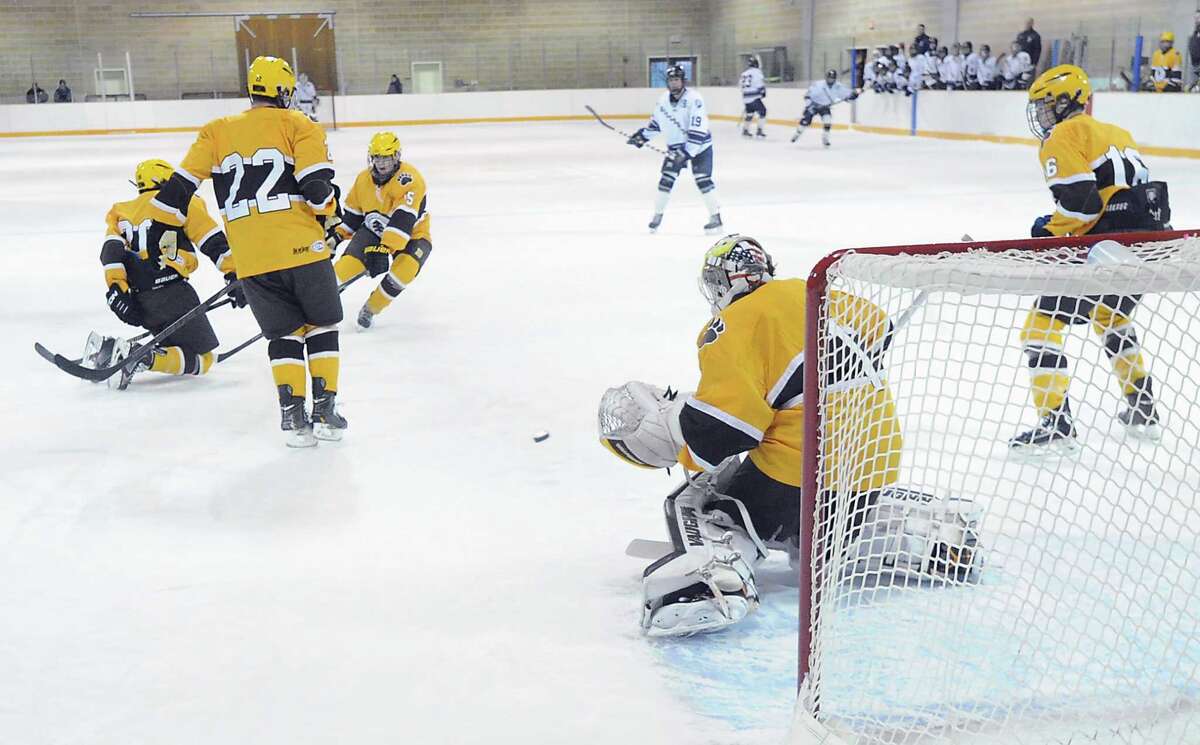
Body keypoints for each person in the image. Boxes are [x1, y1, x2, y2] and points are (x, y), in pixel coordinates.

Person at [596, 235, 907, 636]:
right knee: (819, 534)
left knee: (714, 506)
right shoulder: (811, 290)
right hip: (875, 465)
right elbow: (881, 326)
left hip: (805, 471)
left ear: (723, 282)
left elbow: (726, 432)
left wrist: (681, 432)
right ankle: (920, 533)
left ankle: (711, 582)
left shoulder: (734, 323)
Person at [146, 55, 346, 447]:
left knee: (284, 335)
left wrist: (162, 228)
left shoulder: (216, 131)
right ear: (285, 92)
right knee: (321, 326)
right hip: (302, 247)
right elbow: (317, 191)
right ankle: (324, 413)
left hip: (251, 259)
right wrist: (331, 217)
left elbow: (178, 190)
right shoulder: (299, 124)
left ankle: (293, 418)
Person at [1012, 65, 1172, 452]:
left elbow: (1083, 203)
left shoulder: (1063, 134)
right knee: (1111, 316)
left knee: (1040, 326)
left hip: (1104, 250)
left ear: (1065, 101)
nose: (1042, 115)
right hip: (1145, 249)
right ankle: (1143, 406)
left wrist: (1048, 231)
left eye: (1045, 105)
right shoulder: (1118, 133)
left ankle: (1056, 423)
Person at [85, 158, 240, 390]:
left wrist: (118, 290)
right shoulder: (182, 201)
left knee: (173, 346)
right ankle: (142, 357)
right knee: (203, 360)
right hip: (175, 296)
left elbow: (110, 254)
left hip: (140, 301)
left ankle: (105, 350)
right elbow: (212, 240)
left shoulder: (121, 211)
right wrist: (235, 274)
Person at [332, 132, 433, 330]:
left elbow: (403, 220)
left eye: (386, 157)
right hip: (373, 232)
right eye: (377, 157)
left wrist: (384, 249)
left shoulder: (410, 179)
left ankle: (371, 309)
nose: (382, 163)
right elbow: (353, 216)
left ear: (396, 157)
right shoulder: (363, 179)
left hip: (413, 235)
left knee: (403, 272)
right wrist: (336, 236)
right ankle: (317, 307)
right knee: (342, 271)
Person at [626, 65, 722, 235]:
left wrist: (686, 153)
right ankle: (657, 216)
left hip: (699, 146)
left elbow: (698, 129)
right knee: (666, 180)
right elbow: (656, 123)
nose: (674, 83)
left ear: (683, 80)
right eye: (671, 80)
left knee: (703, 180)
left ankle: (716, 217)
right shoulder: (663, 100)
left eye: (677, 79)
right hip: (676, 147)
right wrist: (642, 136)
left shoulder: (694, 99)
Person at [793, 69, 858, 147]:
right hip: (813, 105)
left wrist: (852, 94)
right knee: (805, 121)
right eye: (829, 78)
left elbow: (846, 93)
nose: (831, 80)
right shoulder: (818, 85)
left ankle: (825, 138)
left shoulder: (838, 86)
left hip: (825, 107)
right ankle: (797, 133)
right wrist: (809, 105)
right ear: (826, 77)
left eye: (832, 78)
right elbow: (808, 95)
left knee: (827, 120)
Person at [739, 56, 767, 138]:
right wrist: (762, 92)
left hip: (746, 98)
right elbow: (760, 84)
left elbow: (741, 85)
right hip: (754, 97)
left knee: (750, 113)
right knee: (763, 111)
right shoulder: (757, 72)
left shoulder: (744, 73)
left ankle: (745, 130)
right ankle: (759, 130)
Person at [1189, 15, 1200, 91]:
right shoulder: (1194, 35)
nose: (1197, 20)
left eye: (1199, 18)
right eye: (1196, 18)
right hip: (1195, 67)